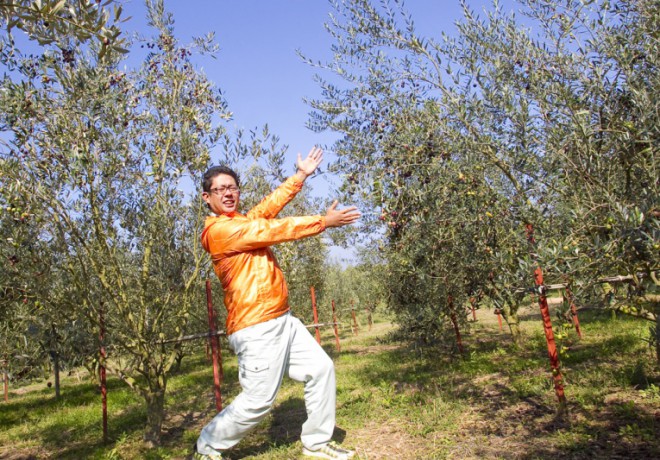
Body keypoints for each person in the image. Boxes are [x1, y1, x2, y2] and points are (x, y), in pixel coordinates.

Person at [194, 147, 361, 460]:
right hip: (256, 326)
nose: (228, 194)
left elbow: (265, 211)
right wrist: (323, 221)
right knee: (258, 400)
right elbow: (272, 228)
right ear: (207, 197)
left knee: (321, 369)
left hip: (282, 319)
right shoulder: (219, 231)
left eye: (233, 188)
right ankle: (208, 446)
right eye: (220, 189)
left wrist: (300, 176)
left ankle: (316, 442)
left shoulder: (240, 222)